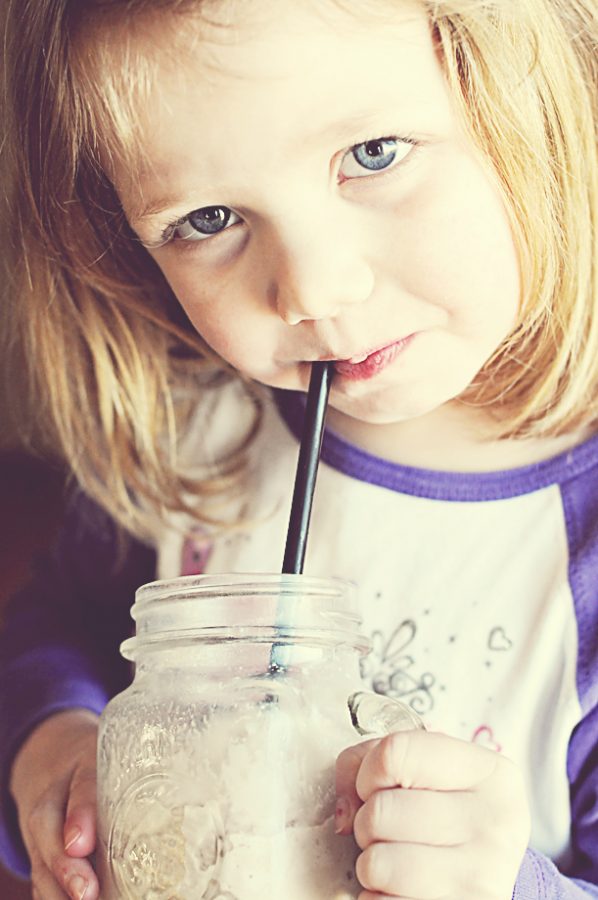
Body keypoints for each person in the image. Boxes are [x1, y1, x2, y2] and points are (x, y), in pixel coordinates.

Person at [0, 0, 597, 897]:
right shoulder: (192, 442)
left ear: (531, 105)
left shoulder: (575, 565)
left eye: (374, 154)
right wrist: (53, 742)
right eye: (207, 219)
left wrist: (510, 885)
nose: (313, 288)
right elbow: (57, 627)